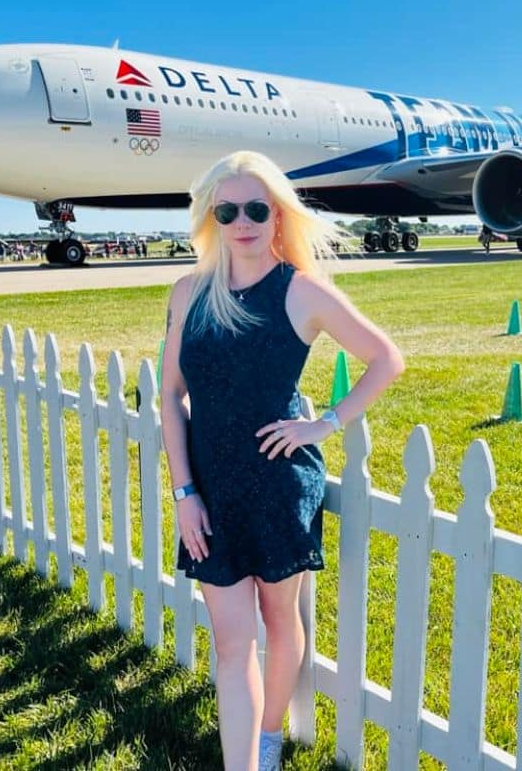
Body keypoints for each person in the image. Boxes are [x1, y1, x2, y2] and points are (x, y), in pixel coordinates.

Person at [160, 150, 403, 771]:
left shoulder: (300, 292)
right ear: (211, 217)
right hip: (209, 490)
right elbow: (170, 396)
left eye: (257, 208)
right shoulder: (189, 293)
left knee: (279, 616)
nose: (243, 221)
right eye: (228, 209)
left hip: (276, 483)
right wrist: (184, 494)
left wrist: (322, 424)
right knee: (231, 640)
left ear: (277, 216)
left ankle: (267, 739)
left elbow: (385, 360)